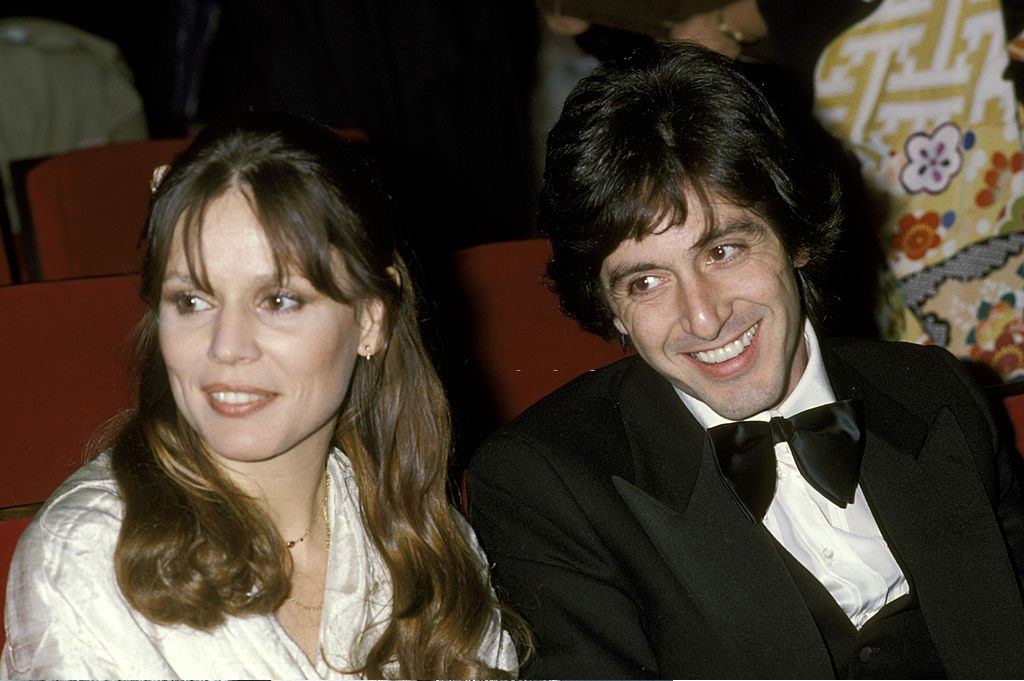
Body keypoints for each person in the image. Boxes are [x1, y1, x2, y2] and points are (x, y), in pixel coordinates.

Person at [467, 42, 1024, 678]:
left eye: (724, 251)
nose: (703, 317)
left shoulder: (933, 392)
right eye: (645, 282)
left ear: (796, 237)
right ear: (611, 310)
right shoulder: (546, 484)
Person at [1, 111, 518, 679]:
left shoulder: (414, 532)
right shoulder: (87, 558)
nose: (227, 348)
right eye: (193, 301)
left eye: (278, 300)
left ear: (371, 319)